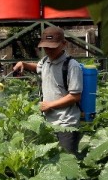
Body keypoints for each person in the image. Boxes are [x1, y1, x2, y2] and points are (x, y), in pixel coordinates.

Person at [13, 26, 83, 155]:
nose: (49, 50)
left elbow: (75, 96)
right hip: (48, 123)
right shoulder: (46, 61)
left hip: (65, 124)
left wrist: (50, 105)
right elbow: (38, 68)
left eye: (53, 47)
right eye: (46, 47)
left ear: (64, 44)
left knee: (67, 162)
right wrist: (24, 64)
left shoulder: (72, 66)